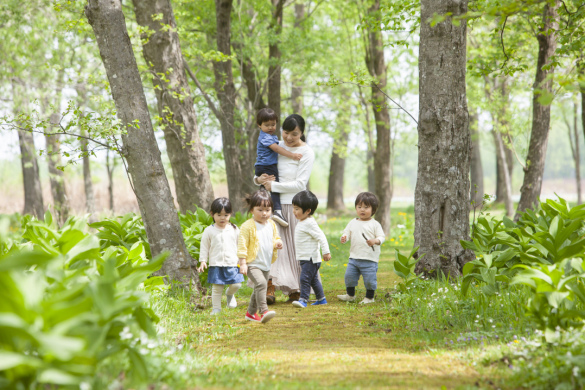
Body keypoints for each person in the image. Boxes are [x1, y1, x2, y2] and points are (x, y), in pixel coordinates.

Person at [256, 114, 316, 304]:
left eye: (294, 134)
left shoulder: (307, 153)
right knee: (271, 246)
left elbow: (300, 184)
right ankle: (270, 285)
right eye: (286, 132)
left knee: (294, 247)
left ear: (302, 133)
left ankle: (296, 287)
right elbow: (260, 170)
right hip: (271, 205)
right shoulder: (275, 144)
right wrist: (259, 180)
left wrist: (274, 187)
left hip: (294, 205)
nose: (289, 137)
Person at [238, 190, 282, 323]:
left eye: (268, 210)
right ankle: (264, 311)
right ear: (252, 210)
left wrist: (277, 243)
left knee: (259, 287)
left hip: (265, 263)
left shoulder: (271, 224)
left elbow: (275, 238)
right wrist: (243, 263)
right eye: (260, 210)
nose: (264, 213)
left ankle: (250, 313)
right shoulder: (247, 227)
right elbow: (242, 246)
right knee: (262, 284)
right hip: (252, 263)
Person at [254, 108, 303, 227]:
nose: (270, 127)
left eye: (273, 124)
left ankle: (266, 209)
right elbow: (277, 149)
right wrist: (292, 155)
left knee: (267, 189)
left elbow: (301, 184)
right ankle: (277, 211)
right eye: (267, 125)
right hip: (266, 166)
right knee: (272, 186)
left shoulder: (270, 137)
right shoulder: (267, 138)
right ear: (259, 125)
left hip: (264, 167)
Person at [197, 198, 244, 315]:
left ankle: (229, 294)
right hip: (216, 264)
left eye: (226, 215)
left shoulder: (234, 229)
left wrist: (242, 260)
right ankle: (216, 308)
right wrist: (203, 260)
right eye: (219, 215)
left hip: (232, 263)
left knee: (236, 284)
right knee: (217, 288)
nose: (222, 218)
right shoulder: (209, 231)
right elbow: (204, 247)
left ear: (230, 214)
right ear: (212, 214)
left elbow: (240, 244)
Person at [337, 192, 386, 304]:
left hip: (369, 259)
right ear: (356, 208)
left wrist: (375, 241)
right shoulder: (353, 222)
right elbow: (347, 232)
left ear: (373, 210)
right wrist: (344, 237)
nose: (362, 210)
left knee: (369, 279)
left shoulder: (375, 224)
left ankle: (369, 297)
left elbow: (382, 237)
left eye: (366, 207)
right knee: (349, 277)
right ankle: (350, 295)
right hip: (354, 258)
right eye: (359, 207)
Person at [290, 190, 331, 308]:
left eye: (297, 209)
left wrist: (326, 251)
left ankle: (303, 300)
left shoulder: (309, 223)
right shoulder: (303, 221)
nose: (294, 211)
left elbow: (321, 237)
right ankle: (321, 298)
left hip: (310, 259)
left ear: (308, 211)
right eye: (293, 208)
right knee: (313, 280)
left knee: (304, 279)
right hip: (305, 258)